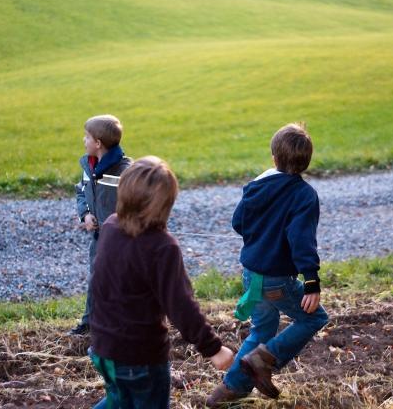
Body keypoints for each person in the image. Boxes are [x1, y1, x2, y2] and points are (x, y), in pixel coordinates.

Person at [89, 156, 234, 409]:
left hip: (102, 347)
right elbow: (181, 307)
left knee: (120, 400)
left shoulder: (111, 225)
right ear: (165, 204)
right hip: (139, 358)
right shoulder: (162, 247)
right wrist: (213, 349)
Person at [207, 123, 329, 407]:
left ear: (274, 158)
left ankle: (228, 392)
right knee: (314, 318)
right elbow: (302, 240)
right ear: (306, 163)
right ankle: (263, 361)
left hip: (251, 275)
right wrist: (311, 281)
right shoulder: (304, 195)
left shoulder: (258, 185)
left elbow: (238, 223)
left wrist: (260, 234)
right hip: (276, 281)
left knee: (261, 331)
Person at [70, 114, 132, 335]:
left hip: (122, 241)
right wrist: (86, 214)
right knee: (96, 279)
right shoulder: (88, 166)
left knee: (121, 283)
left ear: (98, 143)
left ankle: (123, 325)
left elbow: (139, 203)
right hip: (99, 239)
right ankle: (89, 324)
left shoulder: (126, 171)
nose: (83, 141)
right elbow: (81, 192)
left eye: (86, 137)